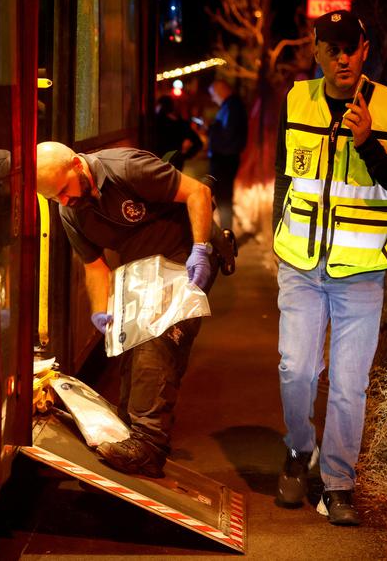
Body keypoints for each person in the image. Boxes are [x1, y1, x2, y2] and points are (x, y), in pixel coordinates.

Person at [271, 9, 387, 525]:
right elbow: (284, 176)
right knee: (297, 368)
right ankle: (297, 452)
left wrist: (369, 144)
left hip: (362, 271)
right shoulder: (297, 99)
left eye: (350, 47)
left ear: (365, 49)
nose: (341, 58)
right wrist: (277, 236)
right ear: (316, 51)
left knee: (350, 383)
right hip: (302, 266)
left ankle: (338, 483)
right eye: (331, 48)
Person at [36, 141, 217, 478]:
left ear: (78, 165)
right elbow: (95, 267)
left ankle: (149, 444)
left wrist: (201, 249)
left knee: (156, 339)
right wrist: (101, 311)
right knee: (132, 349)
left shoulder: (127, 168)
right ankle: (131, 433)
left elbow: (198, 194)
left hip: (182, 256)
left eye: (64, 190)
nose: (64, 201)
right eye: (54, 198)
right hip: (142, 272)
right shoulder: (70, 212)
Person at [206, 79, 248, 231]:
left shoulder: (232, 106)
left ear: (220, 90)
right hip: (225, 158)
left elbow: (227, 133)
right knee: (222, 197)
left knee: (223, 198)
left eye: (213, 94)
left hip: (224, 159)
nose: (213, 98)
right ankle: (225, 232)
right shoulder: (231, 105)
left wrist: (211, 129)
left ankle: (226, 234)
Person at [154, 94, 203, 171]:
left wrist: (184, 156)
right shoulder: (182, 124)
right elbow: (198, 143)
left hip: (160, 163)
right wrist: (184, 156)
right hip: (174, 164)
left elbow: (198, 143)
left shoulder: (156, 123)